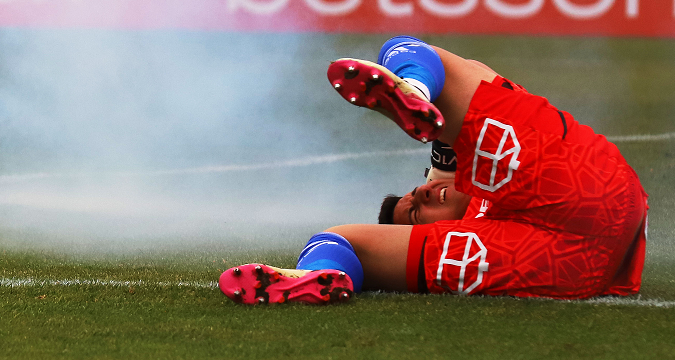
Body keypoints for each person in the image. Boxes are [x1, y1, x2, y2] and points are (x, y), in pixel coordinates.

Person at [220, 36, 648, 304]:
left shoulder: (469, 180)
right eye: (415, 215)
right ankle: (316, 279)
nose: (420, 196)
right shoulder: (467, 228)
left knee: (341, 238)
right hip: (590, 204)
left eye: (413, 193)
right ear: (428, 231)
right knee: (415, 51)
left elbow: (443, 171)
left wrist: (442, 165)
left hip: (573, 266)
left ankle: (414, 91)